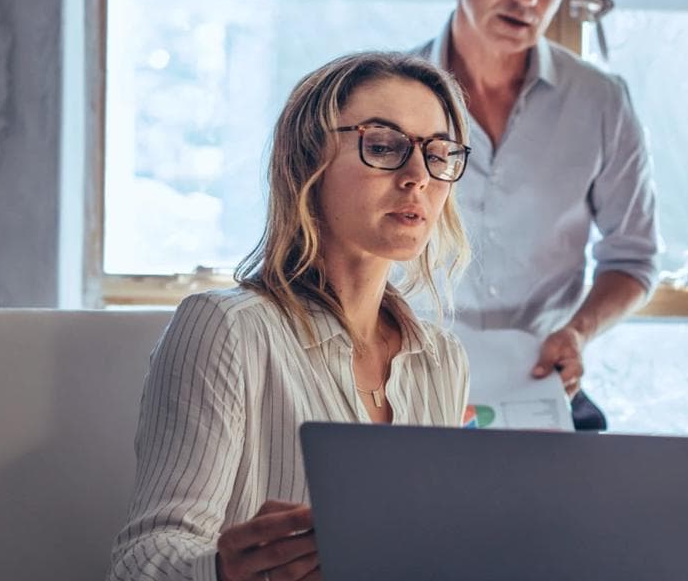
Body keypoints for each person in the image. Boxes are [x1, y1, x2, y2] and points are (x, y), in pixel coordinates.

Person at [109, 52, 475, 580]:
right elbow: (137, 566)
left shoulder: (443, 359)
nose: (419, 176)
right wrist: (221, 571)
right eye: (383, 146)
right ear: (308, 161)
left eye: (439, 153)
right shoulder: (225, 329)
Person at [413, 0, 658, 428]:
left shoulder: (601, 101)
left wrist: (579, 331)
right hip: (410, 389)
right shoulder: (391, 98)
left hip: (542, 390)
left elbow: (633, 258)